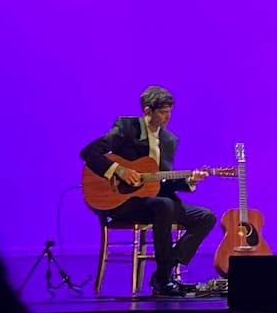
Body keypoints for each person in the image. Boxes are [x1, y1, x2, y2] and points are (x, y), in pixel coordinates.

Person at [81, 84, 217, 296]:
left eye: (170, 111)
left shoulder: (169, 140)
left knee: (205, 217)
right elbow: (89, 152)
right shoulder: (126, 128)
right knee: (164, 205)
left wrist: (190, 180)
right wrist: (120, 170)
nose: (168, 117)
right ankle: (164, 281)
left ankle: (164, 272)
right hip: (122, 202)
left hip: (154, 203)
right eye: (163, 112)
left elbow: (163, 181)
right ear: (147, 111)